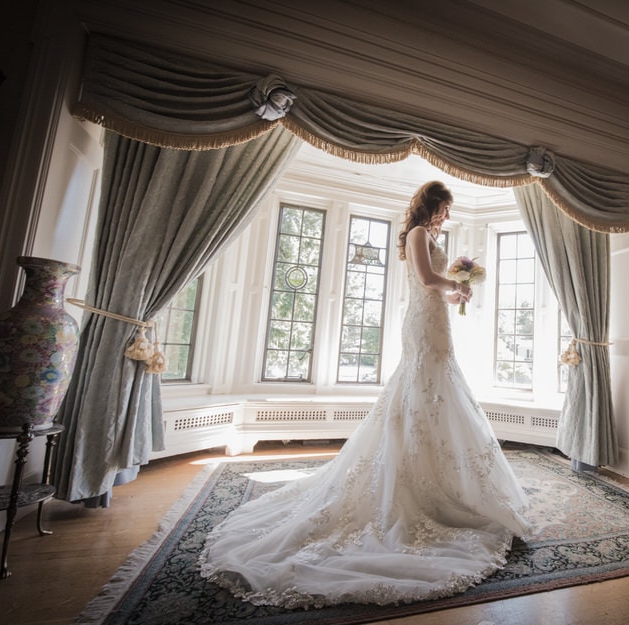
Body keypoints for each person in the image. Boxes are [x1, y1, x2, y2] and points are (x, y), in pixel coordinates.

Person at [199, 180, 532, 608]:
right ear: (432, 204)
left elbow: (437, 286)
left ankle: (440, 468)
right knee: (423, 385)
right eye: (445, 208)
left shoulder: (432, 236)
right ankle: (412, 473)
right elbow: (427, 278)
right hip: (421, 323)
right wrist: (453, 282)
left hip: (436, 319)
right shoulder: (416, 235)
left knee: (438, 391)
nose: (446, 217)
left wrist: (457, 292)